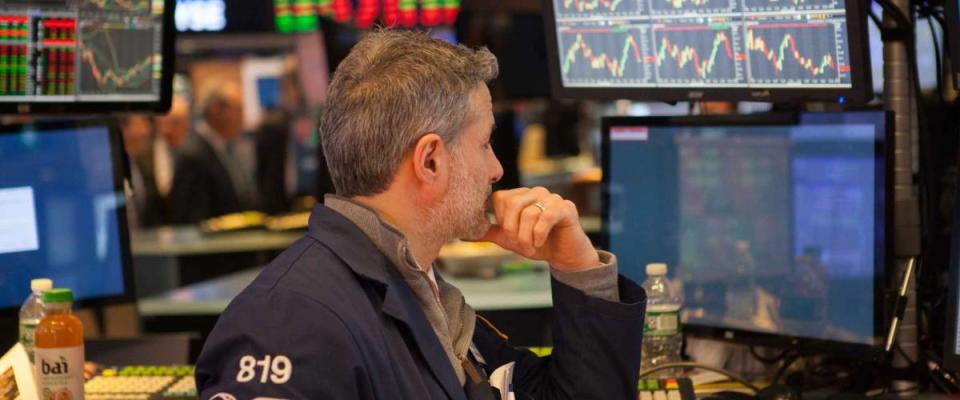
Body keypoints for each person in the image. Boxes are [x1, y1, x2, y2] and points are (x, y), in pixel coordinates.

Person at [195, 30, 646, 399]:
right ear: (430, 160)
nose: (497, 169)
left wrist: (577, 267)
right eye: (485, 143)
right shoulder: (287, 325)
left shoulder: (417, 288)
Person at [169, 79, 258, 224]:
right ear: (215, 110)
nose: (242, 118)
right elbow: (190, 218)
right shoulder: (193, 155)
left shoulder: (230, 147)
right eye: (238, 110)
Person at [120, 114, 165, 228]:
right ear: (123, 128)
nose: (147, 130)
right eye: (141, 124)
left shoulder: (137, 162)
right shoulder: (106, 169)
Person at [154, 93, 191, 199]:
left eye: (174, 123)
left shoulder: (197, 154)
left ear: (187, 124)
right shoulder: (146, 154)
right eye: (162, 123)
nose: (167, 130)